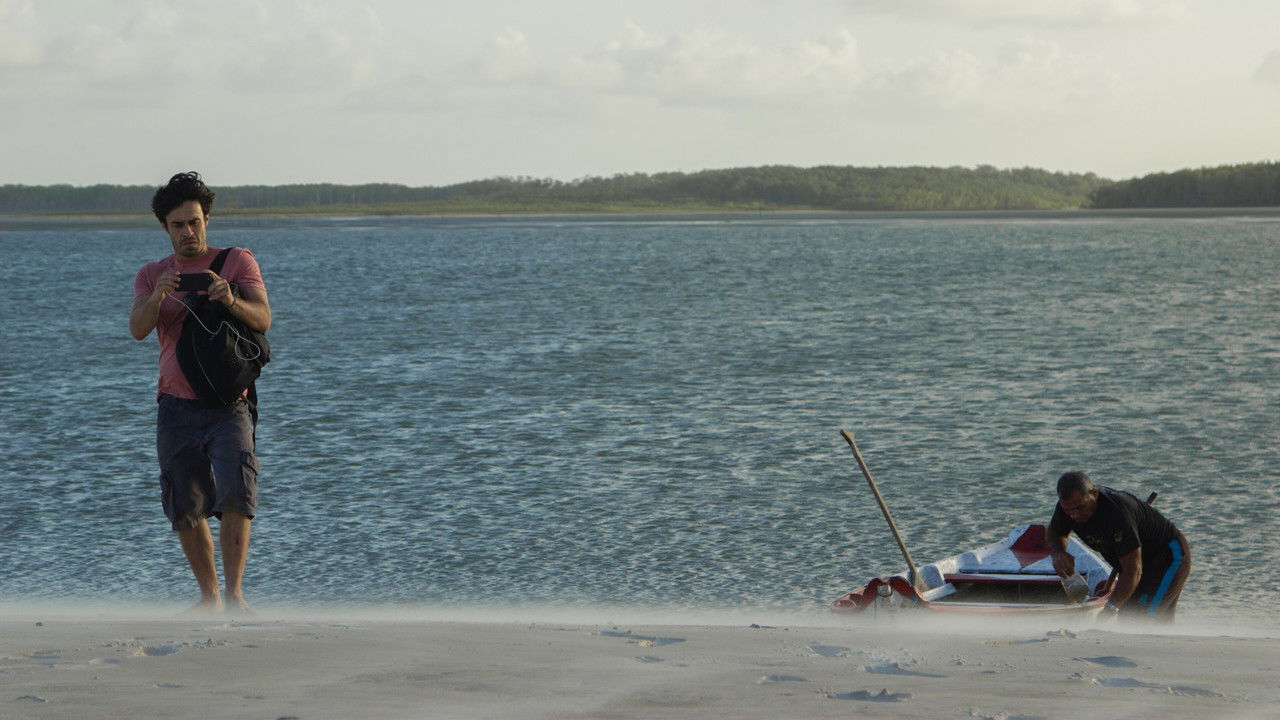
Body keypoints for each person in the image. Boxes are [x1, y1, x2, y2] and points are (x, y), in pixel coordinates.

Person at [130, 172, 271, 614]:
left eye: (194, 222)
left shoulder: (236, 261)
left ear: (206, 219)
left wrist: (228, 298)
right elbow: (137, 330)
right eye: (177, 225)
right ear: (164, 228)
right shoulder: (152, 274)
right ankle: (209, 597)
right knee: (183, 504)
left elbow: (262, 320)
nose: (188, 232)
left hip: (229, 403)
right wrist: (157, 296)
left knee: (237, 494)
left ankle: (234, 595)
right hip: (174, 405)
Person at [1047, 471, 1190, 622]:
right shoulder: (1067, 508)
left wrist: (1110, 608)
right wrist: (1058, 553)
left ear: (1094, 493)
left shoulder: (1117, 513)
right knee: (1135, 619)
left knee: (1139, 619)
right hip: (1131, 563)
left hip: (1166, 557)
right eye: (1068, 510)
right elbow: (1055, 532)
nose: (1074, 516)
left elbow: (1132, 568)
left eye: (1080, 507)